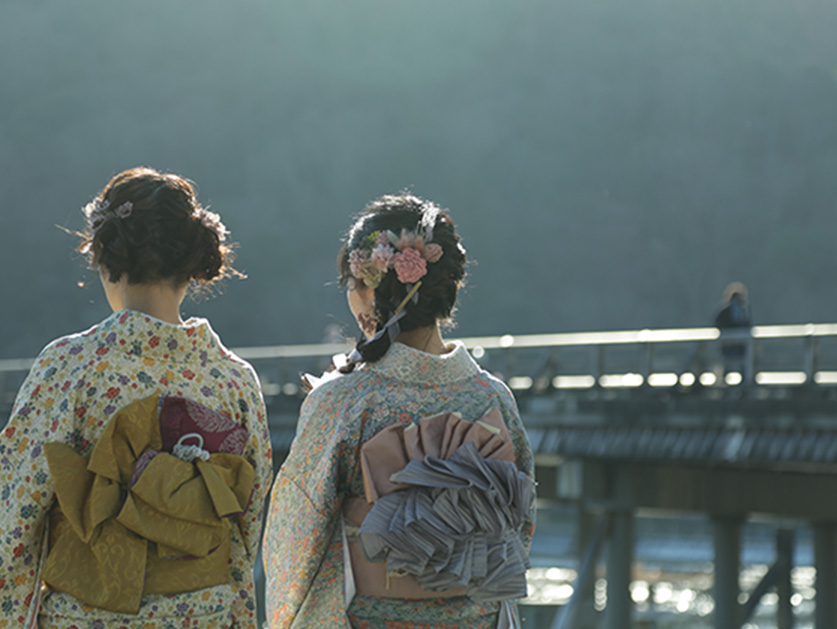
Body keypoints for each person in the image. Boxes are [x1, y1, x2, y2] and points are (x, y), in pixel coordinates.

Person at [0, 167, 273, 628]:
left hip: (92, 615)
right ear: (192, 263)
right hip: (204, 612)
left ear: (106, 258)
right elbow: (246, 522)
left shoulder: (72, 366)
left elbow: (16, 509)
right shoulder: (234, 378)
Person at [262, 194, 536, 628]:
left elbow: (296, 536)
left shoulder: (346, 400)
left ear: (370, 286)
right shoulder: (493, 398)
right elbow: (520, 525)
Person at [714, 281, 752, 382]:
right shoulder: (725, 311)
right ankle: (725, 379)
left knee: (743, 362)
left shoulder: (744, 310)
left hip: (741, 343)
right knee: (728, 362)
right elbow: (718, 323)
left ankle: (743, 379)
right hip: (729, 343)